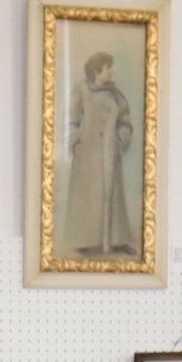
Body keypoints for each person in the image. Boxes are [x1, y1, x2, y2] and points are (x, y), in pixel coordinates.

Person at [61, 48, 137, 257]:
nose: (111, 72)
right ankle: (85, 240)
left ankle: (118, 240)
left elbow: (125, 121)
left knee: (114, 196)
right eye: (107, 68)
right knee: (89, 196)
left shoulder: (116, 94)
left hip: (110, 152)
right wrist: (78, 141)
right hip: (88, 154)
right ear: (97, 70)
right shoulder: (82, 90)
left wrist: (121, 140)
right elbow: (71, 118)